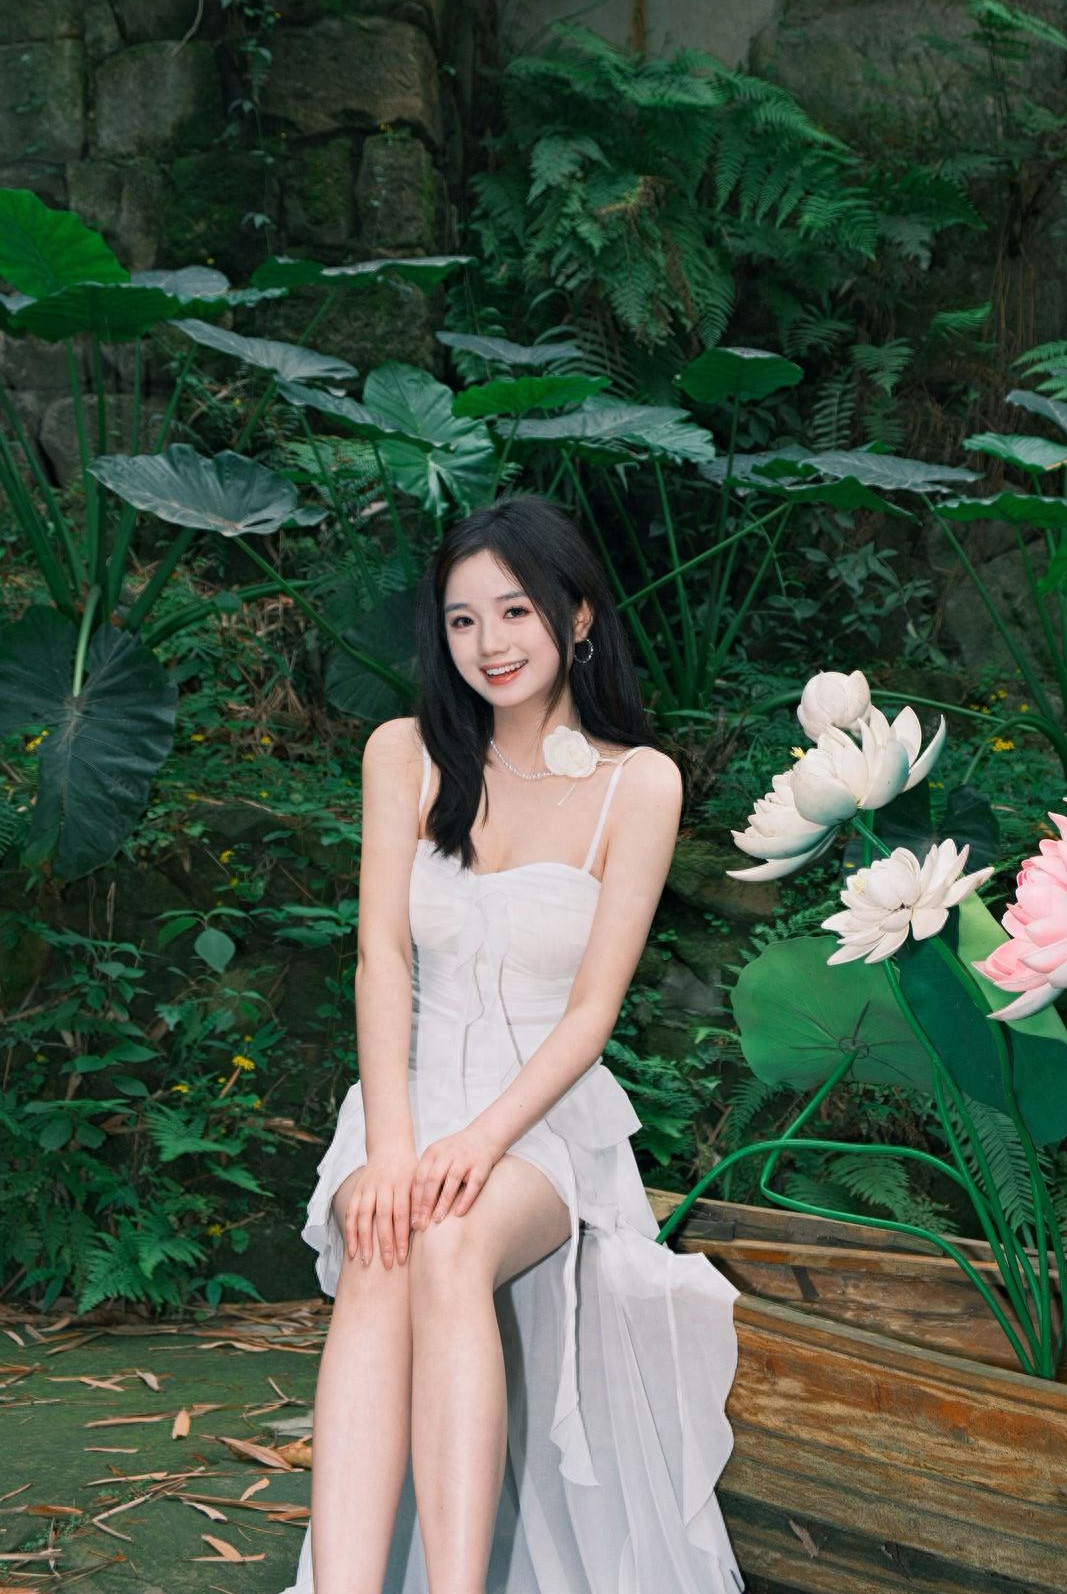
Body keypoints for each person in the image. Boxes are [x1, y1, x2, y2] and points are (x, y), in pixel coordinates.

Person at [282, 493, 745, 1594]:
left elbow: (592, 1014)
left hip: (540, 1121)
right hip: (404, 1096)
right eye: (460, 621)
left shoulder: (639, 784)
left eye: (514, 612)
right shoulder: (403, 755)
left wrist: (479, 1143)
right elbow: (381, 959)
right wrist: (389, 1148)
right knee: (388, 1234)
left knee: (448, 1241)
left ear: (576, 619)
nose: (489, 644)